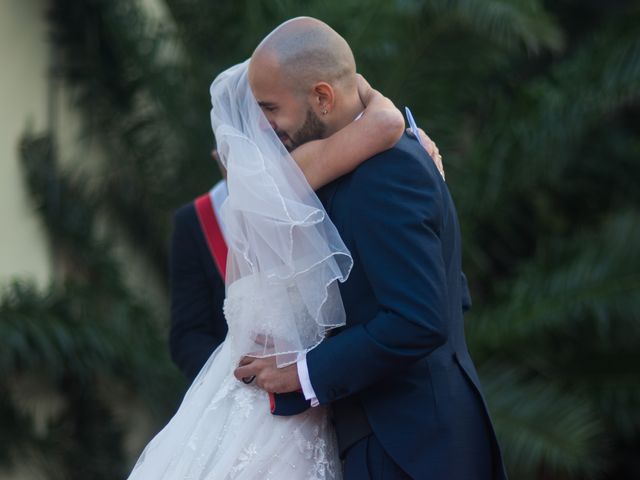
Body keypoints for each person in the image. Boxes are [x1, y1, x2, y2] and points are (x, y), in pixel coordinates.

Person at [128, 29, 443, 479]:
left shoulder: (295, 182)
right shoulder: (292, 179)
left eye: (271, 109)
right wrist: (404, 129)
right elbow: (384, 125)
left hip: (302, 396)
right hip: (288, 395)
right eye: (261, 116)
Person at [233, 17, 507, 480]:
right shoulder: (365, 161)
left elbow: (419, 318)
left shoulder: (386, 173)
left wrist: (300, 373)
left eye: (271, 108)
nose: (263, 126)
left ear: (322, 97)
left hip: (414, 449)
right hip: (391, 438)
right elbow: (449, 291)